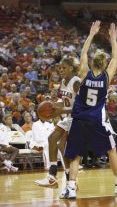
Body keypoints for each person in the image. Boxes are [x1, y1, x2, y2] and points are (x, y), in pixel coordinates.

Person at [60, 21, 117, 199]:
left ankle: (71, 188)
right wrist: (113, 39)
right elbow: (116, 58)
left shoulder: (84, 72)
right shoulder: (106, 77)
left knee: (76, 154)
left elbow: (83, 52)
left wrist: (92, 34)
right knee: (111, 149)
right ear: (104, 64)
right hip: (96, 121)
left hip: (79, 120)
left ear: (93, 62)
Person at [34, 57, 80, 189]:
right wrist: (52, 106)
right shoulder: (63, 81)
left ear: (71, 68)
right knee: (52, 138)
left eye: (64, 67)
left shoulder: (76, 82)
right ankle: (53, 176)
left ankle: (70, 180)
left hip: (78, 118)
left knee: (64, 147)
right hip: (68, 118)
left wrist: (60, 111)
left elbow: (82, 106)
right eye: (59, 67)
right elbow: (61, 101)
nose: (60, 70)